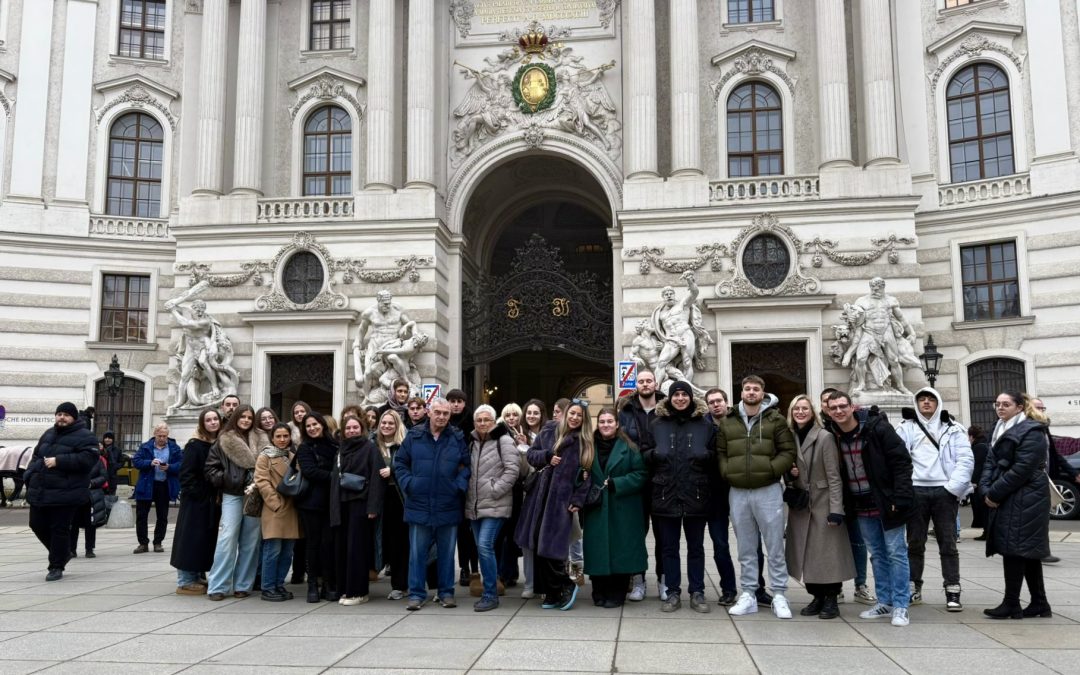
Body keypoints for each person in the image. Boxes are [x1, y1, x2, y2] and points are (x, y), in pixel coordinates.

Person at [825, 390, 914, 627]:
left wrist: (900, 496)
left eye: (842, 406)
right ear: (828, 411)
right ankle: (884, 601)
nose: (838, 411)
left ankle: (901, 605)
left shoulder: (878, 428)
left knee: (896, 552)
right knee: (877, 554)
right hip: (860, 503)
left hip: (887, 501)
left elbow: (902, 462)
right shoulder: (832, 434)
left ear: (852, 407)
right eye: (833, 408)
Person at [716, 375, 797, 619]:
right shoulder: (728, 421)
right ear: (741, 392)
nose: (751, 392)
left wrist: (772, 470)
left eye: (756, 389)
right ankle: (749, 593)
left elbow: (788, 450)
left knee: (774, 545)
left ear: (763, 393)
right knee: (746, 547)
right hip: (738, 491)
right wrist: (727, 471)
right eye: (747, 389)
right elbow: (721, 452)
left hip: (768, 490)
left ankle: (780, 594)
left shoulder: (776, 419)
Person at [897, 387, 973, 612]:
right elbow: (898, 459)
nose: (926, 403)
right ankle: (914, 587)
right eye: (922, 399)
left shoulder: (954, 428)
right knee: (914, 543)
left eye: (931, 399)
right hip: (916, 491)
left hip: (944, 492)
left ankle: (952, 588)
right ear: (917, 403)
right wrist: (906, 488)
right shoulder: (905, 428)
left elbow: (965, 460)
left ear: (938, 402)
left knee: (948, 543)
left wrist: (952, 489)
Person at [980, 392, 1053, 619]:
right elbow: (990, 462)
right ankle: (1040, 603)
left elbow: (1022, 470)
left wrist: (994, 492)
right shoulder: (999, 428)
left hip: (1027, 497)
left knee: (1014, 549)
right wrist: (984, 488)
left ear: (1020, 407)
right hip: (1013, 495)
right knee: (1026, 551)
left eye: (1006, 404)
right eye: (998, 404)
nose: (1000, 408)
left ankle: (1011, 603)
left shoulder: (1032, 431)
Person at [394, 397, 470, 611]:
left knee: (446, 553)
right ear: (429, 412)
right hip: (419, 502)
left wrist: (458, 486)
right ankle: (417, 594)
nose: (442, 417)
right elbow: (400, 463)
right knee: (417, 553)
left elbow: (466, 465)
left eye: (446, 413)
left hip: (448, 503)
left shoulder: (456, 437)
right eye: (438, 412)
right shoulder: (415, 435)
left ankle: (446, 592)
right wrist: (409, 484)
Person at [516, 399, 592, 611]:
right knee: (538, 545)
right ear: (566, 414)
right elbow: (531, 455)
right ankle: (551, 592)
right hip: (538, 498)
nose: (575, 418)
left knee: (552, 548)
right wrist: (547, 456)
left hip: (561, 502)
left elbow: (587, 476)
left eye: (580, 415)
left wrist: (577, 500)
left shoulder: (584, 442)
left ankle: (566, 584)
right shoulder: (549, 432)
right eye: (572, 414)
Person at [647, 381, 715, 613]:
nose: (680, 398)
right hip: (665, 493)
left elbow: (716, 454)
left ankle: (697, 592)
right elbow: (644, 452)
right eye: (675, 395)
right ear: (669, 398)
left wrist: (705, 455)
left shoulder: (704, 425)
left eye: (684, 394)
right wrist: (655, 454)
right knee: (669, 547)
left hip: (696, 492)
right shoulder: (657, 424)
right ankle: (672, 592)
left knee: (696, 547)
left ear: (690, 397)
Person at [784, 395, 854, 620]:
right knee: (806, 553)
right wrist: (790, 473)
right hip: (802, 504)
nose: (801, 412)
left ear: (813, 412)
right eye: (797, 409)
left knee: (827, 553)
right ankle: (816, 596)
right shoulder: (790, 436)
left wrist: (836, 509)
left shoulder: (824, 437)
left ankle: (831, 598)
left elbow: (834, 476)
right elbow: (789, 467)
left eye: (805, 408)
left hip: (822, 502)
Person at [23, 402, 100, 581]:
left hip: (67, 492)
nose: (61, 417)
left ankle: (56, 566)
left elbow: (89, 458)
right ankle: (63, 552)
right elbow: (36, 456)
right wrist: (29, 474)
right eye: (59, 414)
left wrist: (60, 461)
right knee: (36, 524)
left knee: (59, 529)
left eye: (66, 414)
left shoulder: (86, 436)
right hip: (41, 489)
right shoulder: (48, 433)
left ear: (74, 417)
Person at [583, 407, 647, 609]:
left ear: (617, 424)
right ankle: (599, 591)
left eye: (610, 421)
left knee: (622, 550)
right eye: (602, 421)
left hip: (623, 507)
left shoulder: (629, 447)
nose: (605, 425)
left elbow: (641, 474)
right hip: (596, 507)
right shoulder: (588, 446)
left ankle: (617, 593)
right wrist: (581, 477)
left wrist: (617, 483)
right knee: (597, 549)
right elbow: (579, 471)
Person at [204, 405, 266, 600]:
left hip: (255, 494)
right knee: (227, 538)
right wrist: (228, 478)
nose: (246, 420)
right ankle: (218, 585)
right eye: (243, 416)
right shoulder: (224, 439)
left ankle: (242, 585)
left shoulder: (262, 438)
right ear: (236, 418)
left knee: (251, 541)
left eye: (249, 417)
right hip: (232, 494)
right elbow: (210, 468)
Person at [820, 387, 875, 606]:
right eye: (826, 403)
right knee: (833, 543)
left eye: (834, 403)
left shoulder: (852, 426)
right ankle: (837, 586)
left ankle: (860, 585)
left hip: (854, 494)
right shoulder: (823, 429)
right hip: (830, 494)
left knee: (858, 542)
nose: (830, 406)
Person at [704, 388, 757, 607]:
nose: (716, 405)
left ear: (727, 403)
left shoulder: (741, 422)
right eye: (711, 402)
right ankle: (728, 588)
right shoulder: (702, 426)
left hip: (741, 489)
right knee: (720, 544)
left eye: (719, 401)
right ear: (707, 406)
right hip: (714, 494)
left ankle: (757, 588)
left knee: (751, 543)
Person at [466, 405, 519, 611]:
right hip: (475, 505)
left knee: (484, 545)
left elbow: (512, 470)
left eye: (486, 420)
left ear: (494, 421)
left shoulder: (504, 440)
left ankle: (490, 594)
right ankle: (490, 589)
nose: (482, 423)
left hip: (496, 504)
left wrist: (495, 490)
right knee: (482, 549)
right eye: (479, 420)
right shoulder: (472, 442)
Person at [616, 369, 664, 601]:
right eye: (641, 381)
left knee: (664, 534)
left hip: (663, 480)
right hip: (635, 478)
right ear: (636, 384)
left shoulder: (667, 408)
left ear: (656, 383)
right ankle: (638, 581)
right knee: (636, 533)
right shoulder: (625, 410)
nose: (645, 384)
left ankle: (665, 580)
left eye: (649, 380)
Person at [331, 415, 386, 606]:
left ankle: (359, 591)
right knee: (342, 549)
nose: (352, 431)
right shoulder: (340, 450)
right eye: (348, 428)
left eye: (355, 427)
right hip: (342, 505)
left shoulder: (370, 448)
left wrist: (373, 507)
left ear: (361, 429)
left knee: (357, 550)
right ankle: (344, 589)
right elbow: (334, 481)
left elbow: (376, 479)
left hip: (360, 506)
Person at [171, 409, 222, 595]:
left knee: (203, 540)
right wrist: (199, 495)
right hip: (196, 501)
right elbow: (186, 475)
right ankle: (185, 580)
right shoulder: (194, 445)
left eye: (215, 419)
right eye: (208, 420)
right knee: (189, 539)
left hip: (209, 501)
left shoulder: (217, 443)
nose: (213, 422)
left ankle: (196, 575)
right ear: (202, 423)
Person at [254, 423, 302, 602]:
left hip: (292, 509)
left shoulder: (291, 456)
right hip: (274, 509)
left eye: (285, 436)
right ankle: (268, 587)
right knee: (272, 550)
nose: (282, 440)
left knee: (287, 551)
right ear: (272, 438)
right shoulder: (264, 456)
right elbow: (262, 481)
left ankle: (279, 584)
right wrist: (275, 503)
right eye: (278, 436)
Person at [295, 411, 340, 602]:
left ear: (322, 424)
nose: (312, 428)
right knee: (313, 544)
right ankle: (312, 584)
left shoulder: (334, 445)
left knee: (328, 544)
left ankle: (328, 583)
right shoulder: (304, 448)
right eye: (308, 426)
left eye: (315, 424)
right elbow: (310, 471)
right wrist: (335, 478)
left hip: (332, 502)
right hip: (311, 503)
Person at [1033, 398, 1076, 564]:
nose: (1041, 410)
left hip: (1044, 479)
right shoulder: (1024, 429)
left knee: (1042, 517)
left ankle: (1041, 551)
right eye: (1037, 407)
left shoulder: (1043, 428)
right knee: (1037, 518)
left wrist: (1073, 473)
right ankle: (1038, 551)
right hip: (1031, 482)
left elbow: (1055, 454)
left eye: (1042, 408)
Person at [132, 423, 182, 554]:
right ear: (154, 435)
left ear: (167, 436)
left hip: (164, 484)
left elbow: (182, 464)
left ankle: (158, 542)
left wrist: (169, 467)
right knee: (142, 515)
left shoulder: (174, 448)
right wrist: (149, 463)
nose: (162, 438)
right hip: (147, 483)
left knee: (162, 515)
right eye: (159, 436)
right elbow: (136, 461)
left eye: (164, 436)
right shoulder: (145, 447)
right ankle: (143, 543)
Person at [375, 410, 409, 600]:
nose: (387, 426)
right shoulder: (374, 443)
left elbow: (410, 465)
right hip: (380, 498)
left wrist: (393, 470)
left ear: (397, 426)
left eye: (391, 423)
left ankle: (400, 585)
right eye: (384, 423)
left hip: (399, 499)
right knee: (385, 542)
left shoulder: (403, 445)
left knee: (400, 544)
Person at [446, 388, 478, 588]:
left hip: (470, 480)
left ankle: (474, 569)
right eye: (452, 401)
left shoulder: (472, 422)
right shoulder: (443, 422)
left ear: (465, 403)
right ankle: (464, 567)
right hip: (449, 482)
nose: (456, 404)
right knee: (457, 529)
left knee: (470, 529)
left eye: (459, 401)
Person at [496, 402, 528, 589]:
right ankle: (503, 573)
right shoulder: (498, 431)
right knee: (503, 533)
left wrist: (523, 445)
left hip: (517, 488)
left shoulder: (521, 432)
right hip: (502, 487)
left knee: (512, 533)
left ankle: (511, 572)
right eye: (508, 415)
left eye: (515, 415)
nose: (511, 418)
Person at [69, 450, 108, 559]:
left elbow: (104, 476)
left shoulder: (97, 460)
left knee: (90, 523)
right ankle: (72, 549)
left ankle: (89, 549)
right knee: (73, 524)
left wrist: (92, 483)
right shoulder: (73, 459)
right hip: (75, 495)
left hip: (91, 496)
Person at [968, 425, 990, 540]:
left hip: (979, 482)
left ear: (972, 436)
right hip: (982, 481)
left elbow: (978, 466)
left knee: (983, 508)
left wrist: (974, 481)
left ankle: (987, 532)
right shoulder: (982, 445)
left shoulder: (979, 447)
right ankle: (986, 531)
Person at [100, 431, 123, 496]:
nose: (107, 439)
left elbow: (121, 462)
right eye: (106, 438)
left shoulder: (117, 449)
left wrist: (115, 467)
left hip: (112, 477)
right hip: (100, 477)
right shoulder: (99, 448)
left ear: (113, 439)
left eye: (109, 438)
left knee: (111, 498)